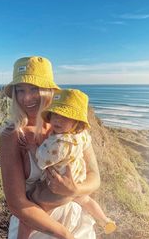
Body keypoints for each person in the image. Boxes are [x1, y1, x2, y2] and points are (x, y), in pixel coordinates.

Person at [0, 56, 101, 239]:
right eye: (20, 90)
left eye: (34, 89)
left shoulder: (74, 128)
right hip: (36, 226)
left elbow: (95, 177)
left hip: (76, 220)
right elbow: (16, 203)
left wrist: (75, 190)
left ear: (49, 91)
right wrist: (65, 235)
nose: (26, 98)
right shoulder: (12, 135)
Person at [18, 89, 116, 238]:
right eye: (56, 115)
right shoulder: (80, 136)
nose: (58, 120)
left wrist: (33, 149)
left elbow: (42, 160)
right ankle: (104, 220)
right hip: (77, 180)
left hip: (57, 189)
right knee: (86, 200)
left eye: (65, 117)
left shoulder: (59, 144)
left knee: (30, 216)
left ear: (76, 122)